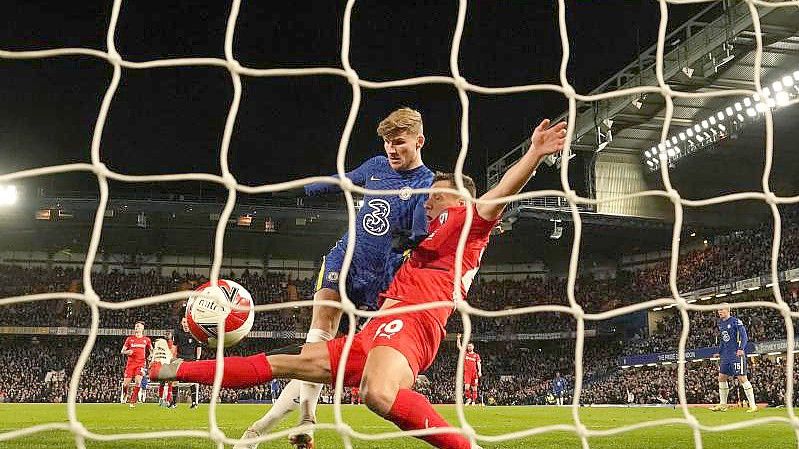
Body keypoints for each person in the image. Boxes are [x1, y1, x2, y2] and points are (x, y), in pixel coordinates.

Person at [149, 118, 567, 449]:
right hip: (378, 328)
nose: (429, 199)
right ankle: (177, 370)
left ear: (460, 197)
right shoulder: (419, 229)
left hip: (414, 324)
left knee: (377, 393)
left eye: (437, 194)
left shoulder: (469, 225)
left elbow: (502, 192)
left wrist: (533, 153)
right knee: (284, 361)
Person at [239, 107, 434, 449]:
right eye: (387, 142)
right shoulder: (376, 166)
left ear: (419, 141)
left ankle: (264, 425)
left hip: (383, 279)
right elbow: (341, 181)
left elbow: (424, 231)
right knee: (318, 338)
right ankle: (304, 420)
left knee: (327, 357)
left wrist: (416, 236)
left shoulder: (426, 183)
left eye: (399, 143)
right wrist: (300, 189)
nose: (391, 149)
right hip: (345, 259)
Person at [709, 305, 758, 412]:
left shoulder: (736, 321)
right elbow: (723, 340)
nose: (719, 312)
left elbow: (744, 336)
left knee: (742, 378)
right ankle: (723, 404)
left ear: (727, 310)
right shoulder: (721, 323)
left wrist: (741, 348)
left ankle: (753, 405)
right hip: (726, 355)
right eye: (718, 310)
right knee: (721, 377)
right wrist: (719, 352)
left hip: (736, 354)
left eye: (721, 310)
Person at [120, 321, 151, 408]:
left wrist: (151, 356)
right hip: (130, 364)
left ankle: (133, 401)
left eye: (138, 326)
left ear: (142, 328)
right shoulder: (130, 339)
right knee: (126, 384)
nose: (136, 328)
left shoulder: (146, 340)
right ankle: (125, 394)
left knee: (138, 382)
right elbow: (122, 351)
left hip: (140, 364)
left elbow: (151, 350)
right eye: (136, 326)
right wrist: (127, 352)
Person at [172, 317, 202, 408]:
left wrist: (197, 359)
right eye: (184, 322)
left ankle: (194, 403)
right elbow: (174, 346)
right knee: (175, 380)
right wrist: (173, 358)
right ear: (181, 323)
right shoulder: (177, 332)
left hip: (191, 360)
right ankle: (173, 403)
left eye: (187, 322)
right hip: (179, 359)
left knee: (192, 381)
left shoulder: (195, 333)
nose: (185, 324)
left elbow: (199, 347)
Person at [456, 334, 482, 406]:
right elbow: (459, 346)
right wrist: (458, 338)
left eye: (470, 346)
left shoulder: (476, 355)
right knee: (466, 387)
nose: (469, 347)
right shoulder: (465, 353)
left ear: (473, 347)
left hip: (474, 373)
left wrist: (480, 371)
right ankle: (469, 399)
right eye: (468, 346)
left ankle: (473, 401)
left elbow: (479, 363)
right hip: (467, 373)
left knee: (474, 388)